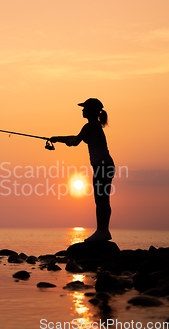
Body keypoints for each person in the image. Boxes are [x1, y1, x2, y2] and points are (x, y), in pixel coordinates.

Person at [50, 98, 115, 242]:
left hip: (102, 166)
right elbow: (76, 137)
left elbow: (75, 141)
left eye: (84, 108)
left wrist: (67, 142)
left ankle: (102, 231)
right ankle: (104, 230)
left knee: (101, 200)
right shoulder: (93, 126)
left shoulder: (90, 126)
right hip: (107, 165)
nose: (82, 110)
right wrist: (57, 138)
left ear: (90, 110)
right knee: (104, 199)